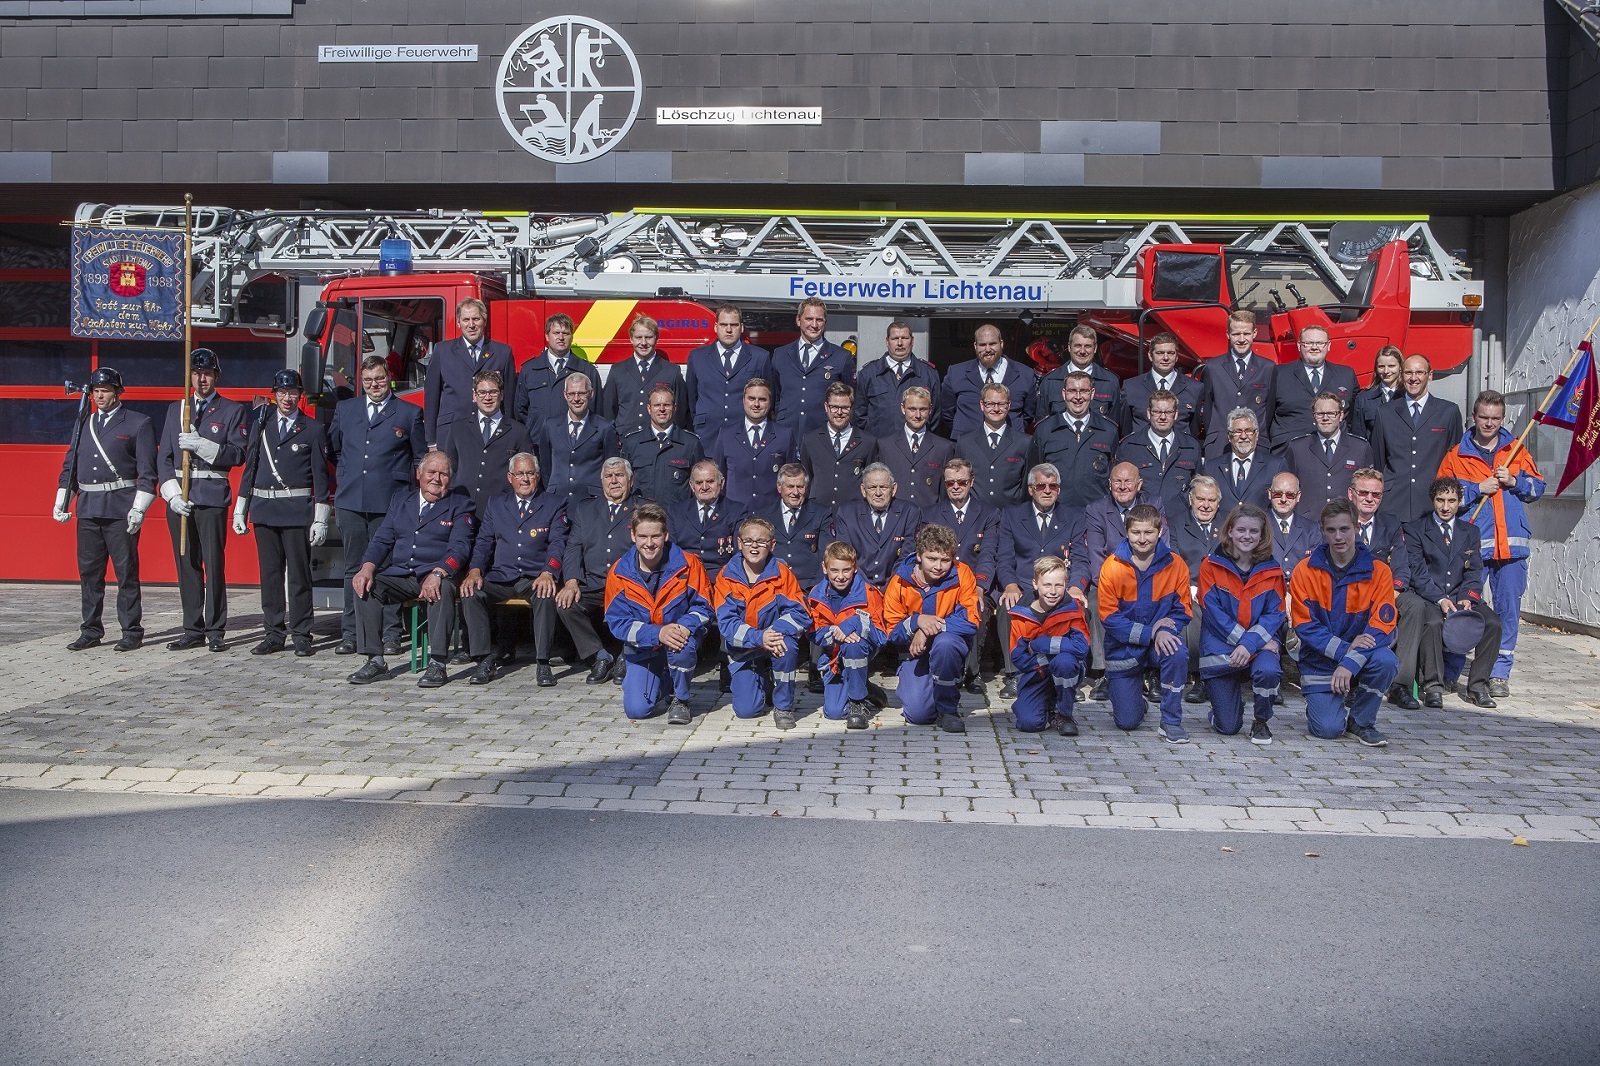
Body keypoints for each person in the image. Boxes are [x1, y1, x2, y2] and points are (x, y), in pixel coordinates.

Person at [1436, 389, 1544, 698]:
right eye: (1484, 417)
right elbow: (1442, 496)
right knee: (1463, 606)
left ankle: (1499, 673)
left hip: (1512, 548)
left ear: (1503, 418)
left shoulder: (1516, 450)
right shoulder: (1457, 454)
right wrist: (1473, 489)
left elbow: (1537, 489)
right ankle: (1451, 669)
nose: (1489, 423)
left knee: (1508, 609)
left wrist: (1515, 481)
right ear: (1473, 416)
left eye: (1496, 418)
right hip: (1472, 547)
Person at [346, 449, 477, 687]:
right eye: (431, 472)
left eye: (443, 474)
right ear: (419, 474)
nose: (436, 479)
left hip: (438, 574)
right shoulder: (401, 500)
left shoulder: (460, 505)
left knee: (443, 589)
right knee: (366, 586)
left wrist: (438, 573)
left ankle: (437, 663)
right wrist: (366, 568)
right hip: (402, 575)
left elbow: (460, 548)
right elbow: (382, 540)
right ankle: (375, 660)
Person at [329, 355, 427, 657]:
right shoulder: (346, 410)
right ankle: (351, 633)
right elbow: (334, 448)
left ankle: (391, 634)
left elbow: (418, 457)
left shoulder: (409, 413)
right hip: (352, 501)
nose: (375, 385)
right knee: (353, 569)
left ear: (390, 379)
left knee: (388, 569)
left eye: (380, 379)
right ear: (362, 381)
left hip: (390, 503)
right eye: (369, 380)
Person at [55, 366, 157, 652]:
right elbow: (71, 465)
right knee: (89, 574)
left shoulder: (138, 423)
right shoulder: (83, 422)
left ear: (118, 393)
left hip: (120, 508)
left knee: (126, 573)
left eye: (106, 391)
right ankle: (90, 629)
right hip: (88, 508)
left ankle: (131, 630)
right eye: (96, 391)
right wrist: (62, 498)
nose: (100, 396)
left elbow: (147, 471)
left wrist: (139, 507)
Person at [232, 372, 330, 657]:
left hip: (296, 512)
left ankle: (301, 634)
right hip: (264, 510)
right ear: (274, 394)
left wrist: (320, 517)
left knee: (299, 576)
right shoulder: (261, 425)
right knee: (270, 576)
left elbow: (320, 478)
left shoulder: (311, 429)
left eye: (293, 393)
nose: (288, 398)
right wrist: (241, 509)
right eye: (283, 392)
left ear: (300, 396)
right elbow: (250, 468)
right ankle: (273, 633)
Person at [156, 348, 248, 652]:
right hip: (181, 497)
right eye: (196, 373)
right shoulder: (176, 410)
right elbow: (164, 458)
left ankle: (215, 629)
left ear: (216, 376)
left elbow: (237, 454)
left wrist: (203, 445)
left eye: (207, 373)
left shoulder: (231, 410)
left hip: (211, 496)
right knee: (186, 564)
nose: (201, 379)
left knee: (213, 562)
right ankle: (192, 628)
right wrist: (170, 495)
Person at [1290, 498, 1398, 746]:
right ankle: (1325, 706)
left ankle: (1361, 721)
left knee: (1386, 660)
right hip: (1319, 660)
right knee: (1327, 730)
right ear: (1322, 531)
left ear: (1357, 528)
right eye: (1331, 530)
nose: (1338, 537)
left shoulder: (1379, 571)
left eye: (1344, 529)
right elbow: (1305, 626)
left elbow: (1382, 626)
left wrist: (1350, 661)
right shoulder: (1304, 571)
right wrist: (1343, 650)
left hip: (1362, 657)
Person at [458, 452, 568, 687]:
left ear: (538, 477)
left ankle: (543, 662)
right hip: (502, 576)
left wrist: (549, 571)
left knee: (546, 592)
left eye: (530, 473)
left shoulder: (554, 503)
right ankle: (484, 660)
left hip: (534, 576)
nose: (525, 479)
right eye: (520, 474)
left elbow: (558, 543)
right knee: (470, 591)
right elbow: (484, 541)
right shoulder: (496, 503)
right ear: (510, 477)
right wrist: (475, 570)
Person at [604, 503, 713, 724]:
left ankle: (681, 700)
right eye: (643, 536)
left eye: (656, 536)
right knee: (637, 710)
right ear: (633, 535)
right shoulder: (619, 572)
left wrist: (683, 627)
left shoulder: (689, 565)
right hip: (642, 647)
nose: (650, 543)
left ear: (666, 535)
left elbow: (705, 608)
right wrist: (657, 633)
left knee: (681, 644)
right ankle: (663, 680)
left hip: (679, 639)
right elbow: (618, 623)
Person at [1402, 477, 1503, 709]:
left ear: (1459, 502)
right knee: (1433, 623)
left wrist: (1468, 595)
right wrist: (1440, 599)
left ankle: (1478, 685)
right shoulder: (1416, 529)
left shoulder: (1471, 531)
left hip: (1461, 595)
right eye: (1440, 500)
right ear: (1432, 501)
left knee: (1493, 624)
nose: (1445, 507)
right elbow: (1417, 572)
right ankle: (1433, 686)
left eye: (1451, 500)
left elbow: (1475, 571)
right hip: (1430, 597)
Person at [1098, 504, 1193, 742]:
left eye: (1148, 532)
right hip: (1123, 649)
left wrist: (1166, 627)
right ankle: (1132, 699)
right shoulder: (1111, 566)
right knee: (1127, 722)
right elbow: (1109, 618)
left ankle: (1171, 721)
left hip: (1159, 645)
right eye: (1136, 532)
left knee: (1177, 652)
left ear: (1160, 531)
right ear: (1126, 532)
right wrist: (1153, 632)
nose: (1142, 539)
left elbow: (1183, 610)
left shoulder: (1176, 564)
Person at [996, 463, 1090, 698]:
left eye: (1053, 486)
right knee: (1009, 606)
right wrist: (1010, 584)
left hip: (1060, 586)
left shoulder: (1075, 517)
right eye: (1041, 486)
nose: (1047, 490)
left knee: (1079, 609)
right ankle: (1016, 674)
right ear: (1031, 489)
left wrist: (1077, 586)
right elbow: (1004, 558)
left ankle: (1071, 676)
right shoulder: (1012, 516)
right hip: (1026, 584)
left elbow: (1081, 558)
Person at [1196, 503, 1285, 744]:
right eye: (1241, 530)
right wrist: (1248, 644)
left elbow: (1274, 614)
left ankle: (1261, 721)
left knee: (1268, 670)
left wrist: (1249, 645)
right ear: (1230, 531)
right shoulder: (1210, 565)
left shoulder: (1273, 571)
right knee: (1228, 727)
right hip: (1221, 647)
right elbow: (1212, 613)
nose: (1247, 536)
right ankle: (1224, 711)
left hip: (1257, 645)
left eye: (1254, 531)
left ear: (1262, 535)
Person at [714, 516, 813, 728]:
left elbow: (802, 613)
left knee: (788, 646)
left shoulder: (782, 574)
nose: (755, 546)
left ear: (772, 545)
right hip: (744, 648)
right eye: (749, 541)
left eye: (762, 541)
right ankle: (764, 679)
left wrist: (774, 632)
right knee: (747, 711)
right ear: (739, 543)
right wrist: (759, 638)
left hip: (775, 641)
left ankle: (783, 706)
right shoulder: (726, 577)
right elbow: (726, 624)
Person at [882, 523, 982, 733]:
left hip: (948, 646)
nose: (938, 566)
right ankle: (915, 689)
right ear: (919, 555)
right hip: (913, 653)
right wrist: (915, 622)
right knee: (919, 715)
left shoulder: (963, 574)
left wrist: (928, 627)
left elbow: (971, 621)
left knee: (946, 644)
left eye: (945, 560)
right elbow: (891, 630)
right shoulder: (900, 581)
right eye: (932, 559)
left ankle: (948, 710)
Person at [558, 456, 646, 685]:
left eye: (620, 475)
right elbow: (573, 547)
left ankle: (627, 656)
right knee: (566, 604)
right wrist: (571, 581)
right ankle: (600, 656)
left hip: (628, 585)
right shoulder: (585, 509)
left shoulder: (642, 509)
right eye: (609, 476)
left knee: (642, 606)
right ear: (602, 481)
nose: (614, 481)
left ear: (631, 480)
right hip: (593, 582)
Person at [922, 457, 1002, 694]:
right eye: (950, 483)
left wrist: (979, 587)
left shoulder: (988, 513)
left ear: (971, 482)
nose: (956, 487)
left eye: (962, 482)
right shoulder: (930, 513)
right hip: (941, 583)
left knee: (976, 607)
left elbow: (988, 554)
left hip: (974, 583)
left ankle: (972, 672)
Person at [1370, 354, 1464, 522]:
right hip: (1394, 503)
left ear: (1430, 375)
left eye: (1419, 372)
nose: (1413, 378)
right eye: (1408, 373)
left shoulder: (1448, 412)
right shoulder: (1385, 412)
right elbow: (1378, 460)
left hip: (1433, 502)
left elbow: (1455, 461)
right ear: (1401, 375)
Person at [1007, 555, 1091, 736]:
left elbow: (1081, 648)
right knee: (1029, 724)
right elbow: (1018, 657)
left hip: (1066, 669)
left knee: (1065, 661)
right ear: (1035, 584)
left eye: (1058, 585)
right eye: (1047, 585)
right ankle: (1046, 707)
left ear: (1066, 585)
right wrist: (1051, 657)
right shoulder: (1021, 613)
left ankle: (1064, 714)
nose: (1053, 591)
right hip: (1035, 675)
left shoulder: (1074, 610)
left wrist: (1040, 644)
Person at [807, 541, 886, 729]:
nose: (841, 577)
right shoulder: (816, 595)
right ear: (824, 568)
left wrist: (854, 623)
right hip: (833, 654)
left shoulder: (869, 594)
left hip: (861, 650)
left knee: (853, 645)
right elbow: (813, 633)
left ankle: (858, 702)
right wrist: (836, 634)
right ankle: (866, 689)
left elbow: (881, 636)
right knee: (834, 713)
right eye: (835, 570)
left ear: (855, 568)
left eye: (846, 570)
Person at [423, 297, 515, 450]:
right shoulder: (442, 351)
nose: (471, 325)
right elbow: (431, 397)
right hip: (450, 432)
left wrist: (509, 434)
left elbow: (509, 400)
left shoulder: (502, 353)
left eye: (476, 319)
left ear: (484, 321)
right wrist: (431, 441)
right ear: (458, 323)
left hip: (490, 432)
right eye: (466, 320)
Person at [1025, 371, 1119, 509]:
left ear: (1092, 393)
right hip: (1057, 513)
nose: (1078, 397)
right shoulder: (1045, 430)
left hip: (1096, 514)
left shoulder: (1109, 430)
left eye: (1084, 391)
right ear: (1064, 393)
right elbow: (1033, 473)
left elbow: (1115, 474)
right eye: (1072, 391)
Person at [445, 370, 534, 513]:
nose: (488, 397)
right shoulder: (457, 428)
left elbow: (526, 474)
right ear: (474, 395)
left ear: (502, 395)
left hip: (502, 511)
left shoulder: (519, 432)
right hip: (462, 508)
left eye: (493, 392)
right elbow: (450, 470)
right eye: (482, 392)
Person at [770, 297, 855, 438]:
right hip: (786, 434)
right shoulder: (781, 354)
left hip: (822, 436)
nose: (814, 325)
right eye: (809, 319)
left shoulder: (841, 357)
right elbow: (776, 396)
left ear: (825, 322)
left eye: (819, 320)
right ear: (798, 320)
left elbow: (852, 399)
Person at [708, 377, 795, 514]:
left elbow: (792, 477)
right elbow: (718, 477)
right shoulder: (726, 435)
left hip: (772, 514)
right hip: (735, 515)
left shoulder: (784, 435)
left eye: (762, 399)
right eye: (751, 398)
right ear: (743, 400)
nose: (756, 404)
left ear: (770, 402)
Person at [1267, 324, 1358, 454]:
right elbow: (1266, 416)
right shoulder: (1278, 374)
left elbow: (1353, 418)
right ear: (1299, 345)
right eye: (1308, 343)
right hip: (1288, 453)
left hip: (1334, 454)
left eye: (1320, 343)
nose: (1314, 347)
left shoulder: (1346, 375)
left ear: (1328, 346)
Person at [1197, 309, 1276, 458]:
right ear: (1228, 335)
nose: (1241, 339)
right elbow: (1206, 407)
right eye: (1236, 334)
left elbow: (1269, 409)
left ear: (1255, 334)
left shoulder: (1268, 367)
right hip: (1220, 444)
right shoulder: (1213, 367)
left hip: (1256, 444)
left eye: (1246, 334)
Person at [830, 463, 923, 588]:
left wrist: (891, 587)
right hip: (858, 587)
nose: (878, 493)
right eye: (872, 487)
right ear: (863, 490)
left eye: (883, 487)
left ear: (893, 489)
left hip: (896, 587)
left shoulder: (910, 512)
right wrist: (867, 589)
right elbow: (846, 556)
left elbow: (907, 555)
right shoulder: (847, 513)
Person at [685, 304, 770, 438]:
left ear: (742, 327)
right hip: (706, 434)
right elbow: (691, 397)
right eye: (724, 325)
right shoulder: (697, 357)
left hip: (744, 435)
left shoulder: (760, 357)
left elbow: (769, 397)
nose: (729, 330)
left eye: (734, 325)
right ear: (715, 327)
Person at [599, 313, 689, 440]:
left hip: (659, 441)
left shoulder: (672, 371)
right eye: (638, 337)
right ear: (631, 338)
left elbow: (680, 412)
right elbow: (608, 410)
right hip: (624, 442)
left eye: (648, 337)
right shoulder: (617, 371)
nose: (643, 343)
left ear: (656, 338)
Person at [940, 322, 1036, 439]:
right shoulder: (956, 373)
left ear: (1001, 344)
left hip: (1010, 445)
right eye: (982, 344)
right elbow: (947, 412)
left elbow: (1028, 414)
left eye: (992, 344)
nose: (988, 349)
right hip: (968, 445)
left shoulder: (1025, 374)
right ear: (975, 346)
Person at [1115, 388, 1201, 517]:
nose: (1162, 417)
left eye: (1168, 412)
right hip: (1141, 522)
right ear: (1149, 413)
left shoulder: (1191, 446)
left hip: (1179, 520)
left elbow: (1197, 486)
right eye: (1157, 412)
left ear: (1176, 414)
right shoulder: (1129, 446)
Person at [1286, 391, 1374, 518]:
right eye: (1320, 414)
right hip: (1308, 523)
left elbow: (1370, 487)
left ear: (1341, 415)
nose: (1325, 418)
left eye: (1331, 413)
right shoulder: (1297, 447)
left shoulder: (1360, 447)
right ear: (1313, 417)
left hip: (1347, 522)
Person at [536, 371, 618, 504]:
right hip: (556, 500)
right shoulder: (550, 425)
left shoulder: (605, 427)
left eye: (581, 393)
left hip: (591, 502)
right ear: (565, 395)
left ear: (590, 394)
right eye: (571, 394)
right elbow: (545, 465)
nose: (576, 398)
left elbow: (610, 466)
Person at [854, 319, 942, 438]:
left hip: (916, 447)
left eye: (905, 338)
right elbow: (859, 415)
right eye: (895, 338)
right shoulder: (869, 373)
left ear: (912, 341)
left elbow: (935, 415)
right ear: (887, 341)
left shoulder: (928, 373)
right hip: (878, 447)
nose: (900, 343)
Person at [620, 385, 704, 508]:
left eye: (667, 405)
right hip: (642, 518)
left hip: (677, 519)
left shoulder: (691, 443)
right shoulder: (632, 443)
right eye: (656, 405)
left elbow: (700, 485)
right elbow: (623, 484)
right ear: (649, 409)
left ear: (674, 408)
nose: (662, 409)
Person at [799, 381, 877, 511]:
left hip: (854, 514)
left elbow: (871, 480)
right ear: (826, 407)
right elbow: (806, 477)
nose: (839, 412)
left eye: (845, 408)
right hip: (818, 512)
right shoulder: (810, 440)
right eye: (834, 407)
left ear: (851, 408)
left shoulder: (868, 441)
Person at [513, 312, 599, 428]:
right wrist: (534, 429)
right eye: (556, 333)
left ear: (572, 337)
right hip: (537, 442)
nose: (561, 337)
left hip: (575, 443)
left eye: (566, 333)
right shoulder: (530, 369)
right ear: (547, 336)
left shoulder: (587, 371)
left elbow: (597, 411)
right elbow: (520, 410)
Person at [954, 382, 1031, 509]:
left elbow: (1026, 483)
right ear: (982, 405)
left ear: (1009, 405)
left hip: (1011, 513)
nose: (996, 409)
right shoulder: (965, 441)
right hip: (976, 514)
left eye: (1001, 404)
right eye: (990, 404)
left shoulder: (1024, 442)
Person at [875, 385, 953, 510]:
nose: (917, 415)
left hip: (929, 520)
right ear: (903, 408)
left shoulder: (944, 447)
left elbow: (944, 492)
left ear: (930, 410)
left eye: (923, 409)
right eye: (912, 409)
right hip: (895, 517)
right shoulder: (885, 445)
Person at [1032, 324, 1122, 427]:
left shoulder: (1110, 382)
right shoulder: (1050, 381)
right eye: (1078, 346)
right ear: (1069, 347)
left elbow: (1114, 427)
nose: (1082, 351)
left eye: (1087, 346)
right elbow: (1042, 425)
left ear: (1095, 348)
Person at [1201, 408, 1285, 513]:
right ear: (1229, 436)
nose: (1243, 436)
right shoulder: (1211, 467)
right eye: (1237, 431)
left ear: (1257, 434)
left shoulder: (1275, 466)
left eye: (1249, 431)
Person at [1121, 332, 1202, 439]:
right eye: (1160, 353)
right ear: (1150, 355)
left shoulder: (1195, 388)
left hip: (1179, 451)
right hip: (1141, 451)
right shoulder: (1131, 387)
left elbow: (1194, 427)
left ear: (1177, 356)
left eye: (1170, 353)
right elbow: (1125, 427)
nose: (1165, 358)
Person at [1266, 472, 1319, 580]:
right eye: (1278, 494)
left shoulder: (1311, 530)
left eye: (1290, 495)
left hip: (1300, 592)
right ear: (1270, 493)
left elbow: (1315, 571)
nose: (1283, 499)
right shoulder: (1258, 526)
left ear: (1298, 496)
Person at [1348, 344, 1403, 443]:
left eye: (1391, 366)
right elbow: (1358, 437)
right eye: (1381, 366)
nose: (1386, 371)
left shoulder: (1408, 396)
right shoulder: (1363, 398)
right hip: (1374, 456)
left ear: (1400, 367)